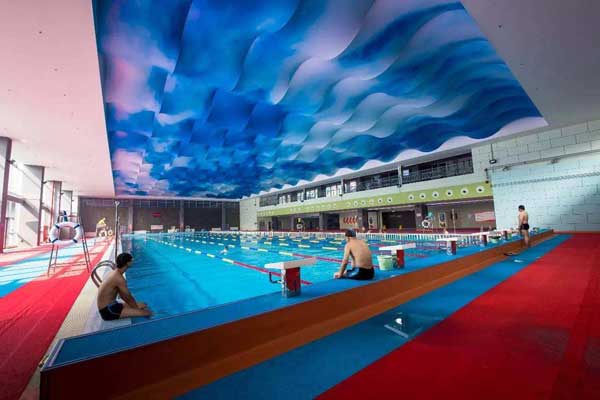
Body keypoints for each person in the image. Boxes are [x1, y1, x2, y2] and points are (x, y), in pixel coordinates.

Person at [97, 253, 152, 320]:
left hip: (113, 305)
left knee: (143, 304)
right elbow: (128, 296)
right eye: (131, 260)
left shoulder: (115, 272)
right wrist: (136, 308)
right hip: (108, 311)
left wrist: (135, 307)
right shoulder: (119, 278)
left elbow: (123, 296)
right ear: (127, 263)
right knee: (147, 313)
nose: (133, 261)